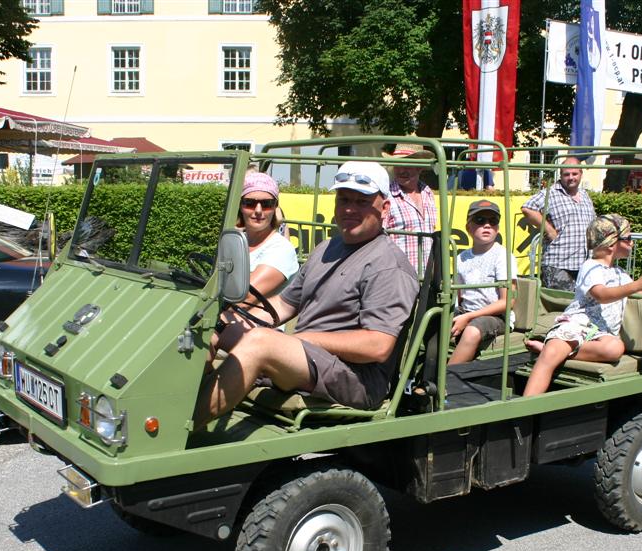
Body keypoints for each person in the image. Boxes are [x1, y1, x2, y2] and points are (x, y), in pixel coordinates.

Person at [194, 161, 418, 429]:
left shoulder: (387, 264)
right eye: (344, 199)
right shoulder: (327, 248)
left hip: (355, 379)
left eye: (362, 201)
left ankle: (182, 428)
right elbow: (284, 304)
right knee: (210, 326)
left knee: (260, 342)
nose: (349, 208)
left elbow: (378, 345)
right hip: (309, 359)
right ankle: (168, 405)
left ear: (384, 208)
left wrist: (300, 339)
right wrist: (229, 321)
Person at [522, 214, 642, 397]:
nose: (632, 243)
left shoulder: (620, 274)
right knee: (550, 356)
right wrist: (638, 285)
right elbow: (601, 294)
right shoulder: (591, 267)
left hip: (602, 332)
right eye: (629, 238)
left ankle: (556, 349)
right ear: (611, 244)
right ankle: (526, 405)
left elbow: (639, 295)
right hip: (579, 324)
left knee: (615, 349)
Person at [448, 200, 519, 365]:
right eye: (480, 221)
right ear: (468, 228)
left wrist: (468, 317)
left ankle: (446, 380)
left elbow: (508, 302)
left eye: (492, 221)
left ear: (497, 228)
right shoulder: (461, 258)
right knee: (433, 321)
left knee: (472, 330)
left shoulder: (503, 257)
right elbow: (459, 297)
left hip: (495, 317)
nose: (487, 225)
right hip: (466, 311)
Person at [521, 157, 597, 291]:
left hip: (583, 264)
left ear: (581, 174)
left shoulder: (585, 195)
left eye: (574, 174)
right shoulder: (550, 193)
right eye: (566, 174)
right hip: (558, 263)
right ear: (560, 175)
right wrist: (549, 230)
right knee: (559, 307)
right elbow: (527, 208)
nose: (571, 177)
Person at [238, 172, 298, 299]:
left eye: (266, 204)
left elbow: (245, 297)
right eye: (249, 203)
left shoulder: (281, 249)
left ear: (275, 206)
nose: (258, 210)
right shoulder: (236, 241)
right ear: (240, 205)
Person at [383, 143, 438, 275]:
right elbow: (378, 240)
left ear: (419, 167)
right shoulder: (386, 196)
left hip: (426, 278)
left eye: (407, 165)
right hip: (398, 278)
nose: (401, 170)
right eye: (397, 164)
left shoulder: (427, 192)